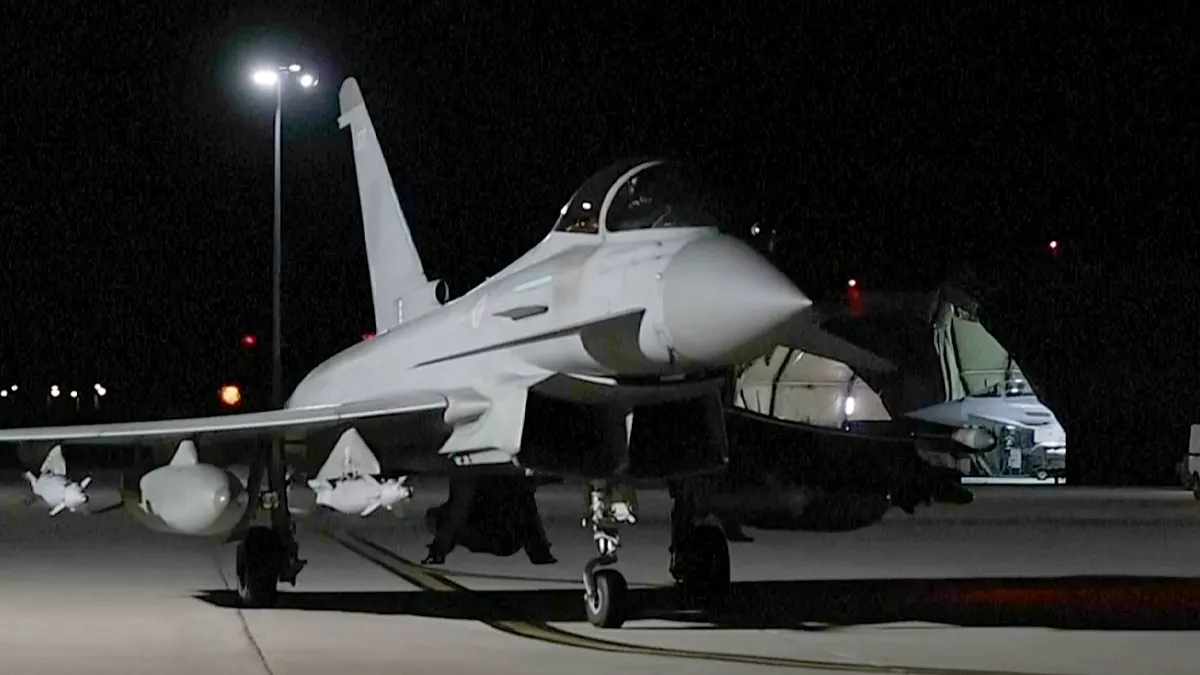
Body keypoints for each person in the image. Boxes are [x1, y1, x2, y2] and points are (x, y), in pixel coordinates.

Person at [423, 473, 557, 565]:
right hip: (508, 536)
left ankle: (539, 551)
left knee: (458, 512)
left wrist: (438, 551)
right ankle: (539, 552)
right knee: (520, 495)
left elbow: (457, 513)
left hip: (499, 535)